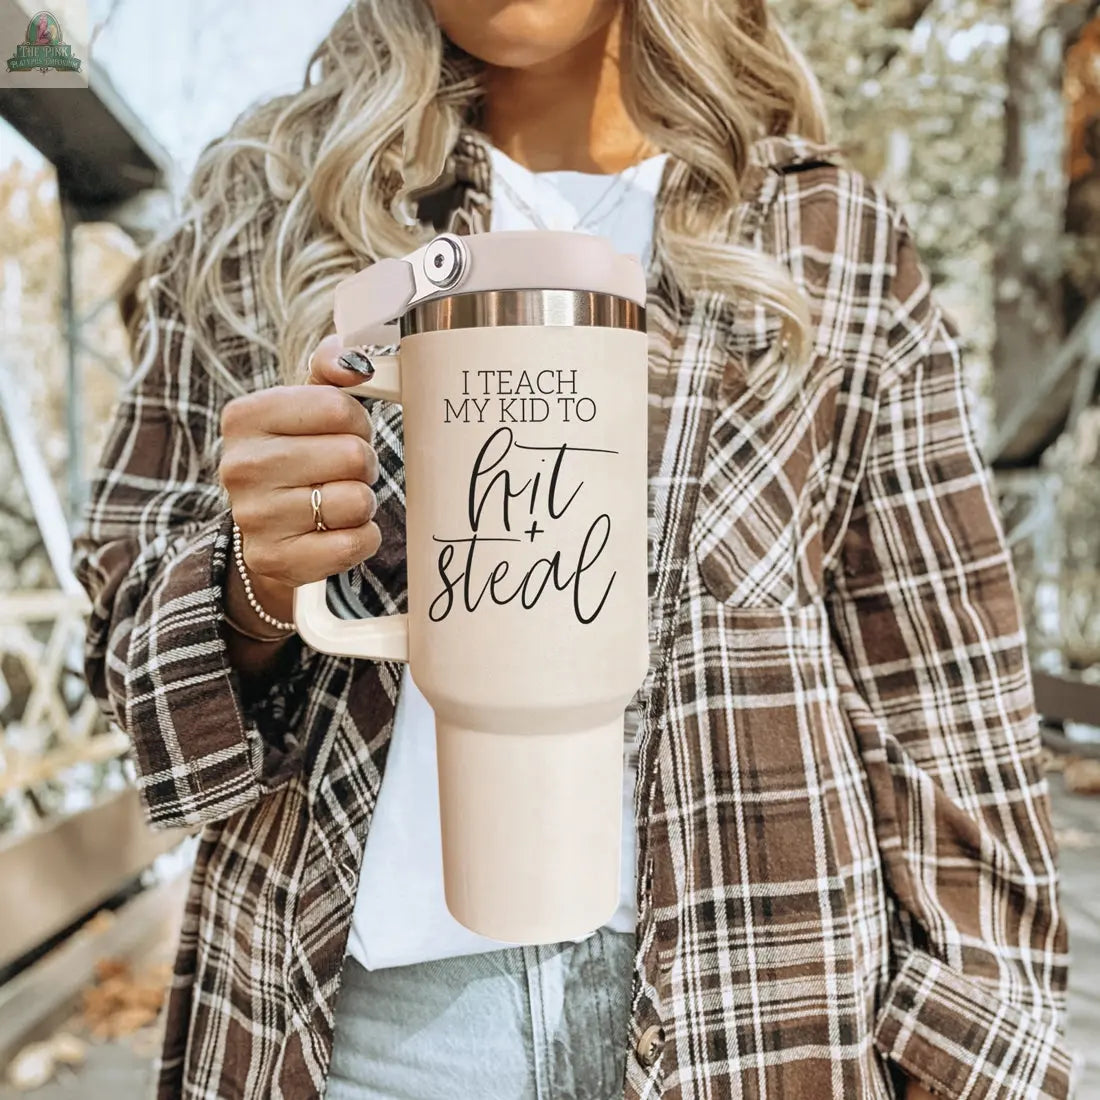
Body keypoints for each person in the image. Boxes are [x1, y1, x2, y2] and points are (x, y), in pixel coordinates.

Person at [73, 2, 1073, 1098]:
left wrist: (975, 1045)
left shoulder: (824, 232)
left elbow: (943, 687)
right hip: (358, 1034)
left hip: (762, 1013)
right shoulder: (266, 200)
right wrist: (253, 583)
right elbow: (125, 632)